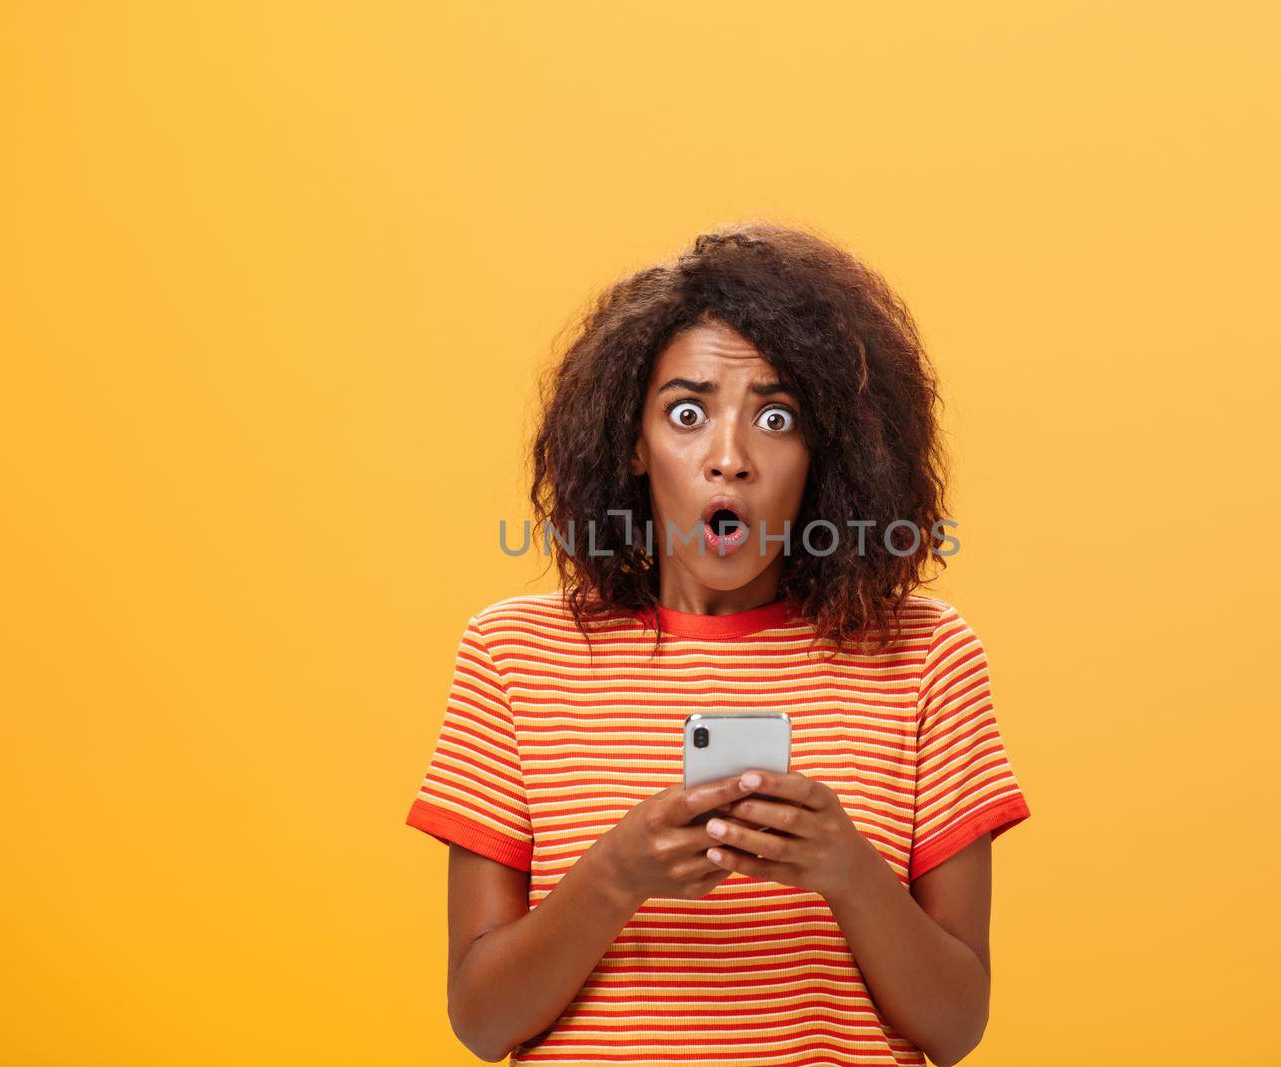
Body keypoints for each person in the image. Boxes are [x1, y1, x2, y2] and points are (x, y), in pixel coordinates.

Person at [405, 221, 1032, 1065]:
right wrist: (617, 873)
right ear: (633, 441)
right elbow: (482, 1021)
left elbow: (956, 1029)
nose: (728, 457)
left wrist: (848, 870)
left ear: (826, 452)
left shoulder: (925, 656)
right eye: (688, 412)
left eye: (776, 415)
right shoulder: (512, 655)